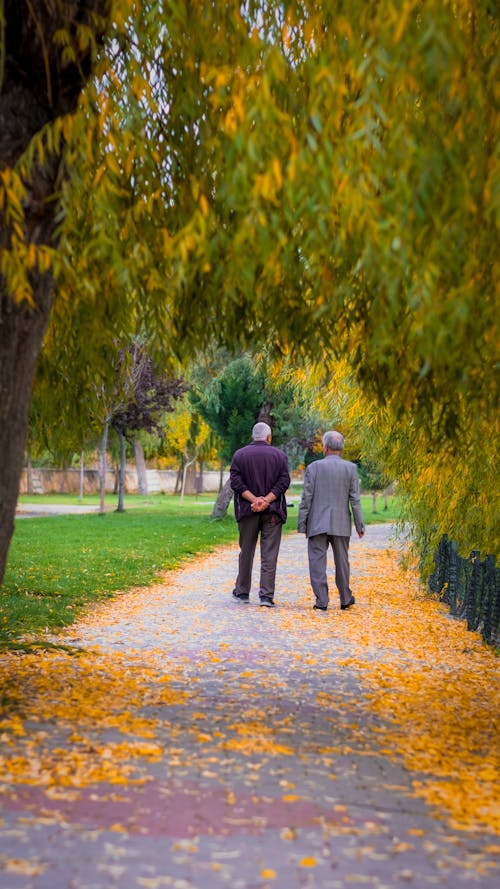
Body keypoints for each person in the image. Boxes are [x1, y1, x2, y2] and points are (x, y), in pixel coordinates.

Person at [298, 430, 365, 611]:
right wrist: (360, 524)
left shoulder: (314, 468)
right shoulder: (351, 468)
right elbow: (355, 499)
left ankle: (322, 601)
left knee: (317, 562)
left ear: (325, 447)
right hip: (341, 523)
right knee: (342, 562)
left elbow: (307, 498)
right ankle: (345, 598)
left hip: (317, 523)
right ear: (341, 449)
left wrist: (302, 523)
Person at [230, 422, 290, 607]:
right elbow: (284, 481)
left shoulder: (240, 455)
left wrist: (253, 499)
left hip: (248, 511)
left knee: (246, 551)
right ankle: (266, 596)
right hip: (272, 512)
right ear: (269, 437)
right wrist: (266, 500)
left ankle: (242, 592)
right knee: (269, 554)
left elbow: (236, 482)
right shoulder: (279, 456)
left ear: (253, 436)